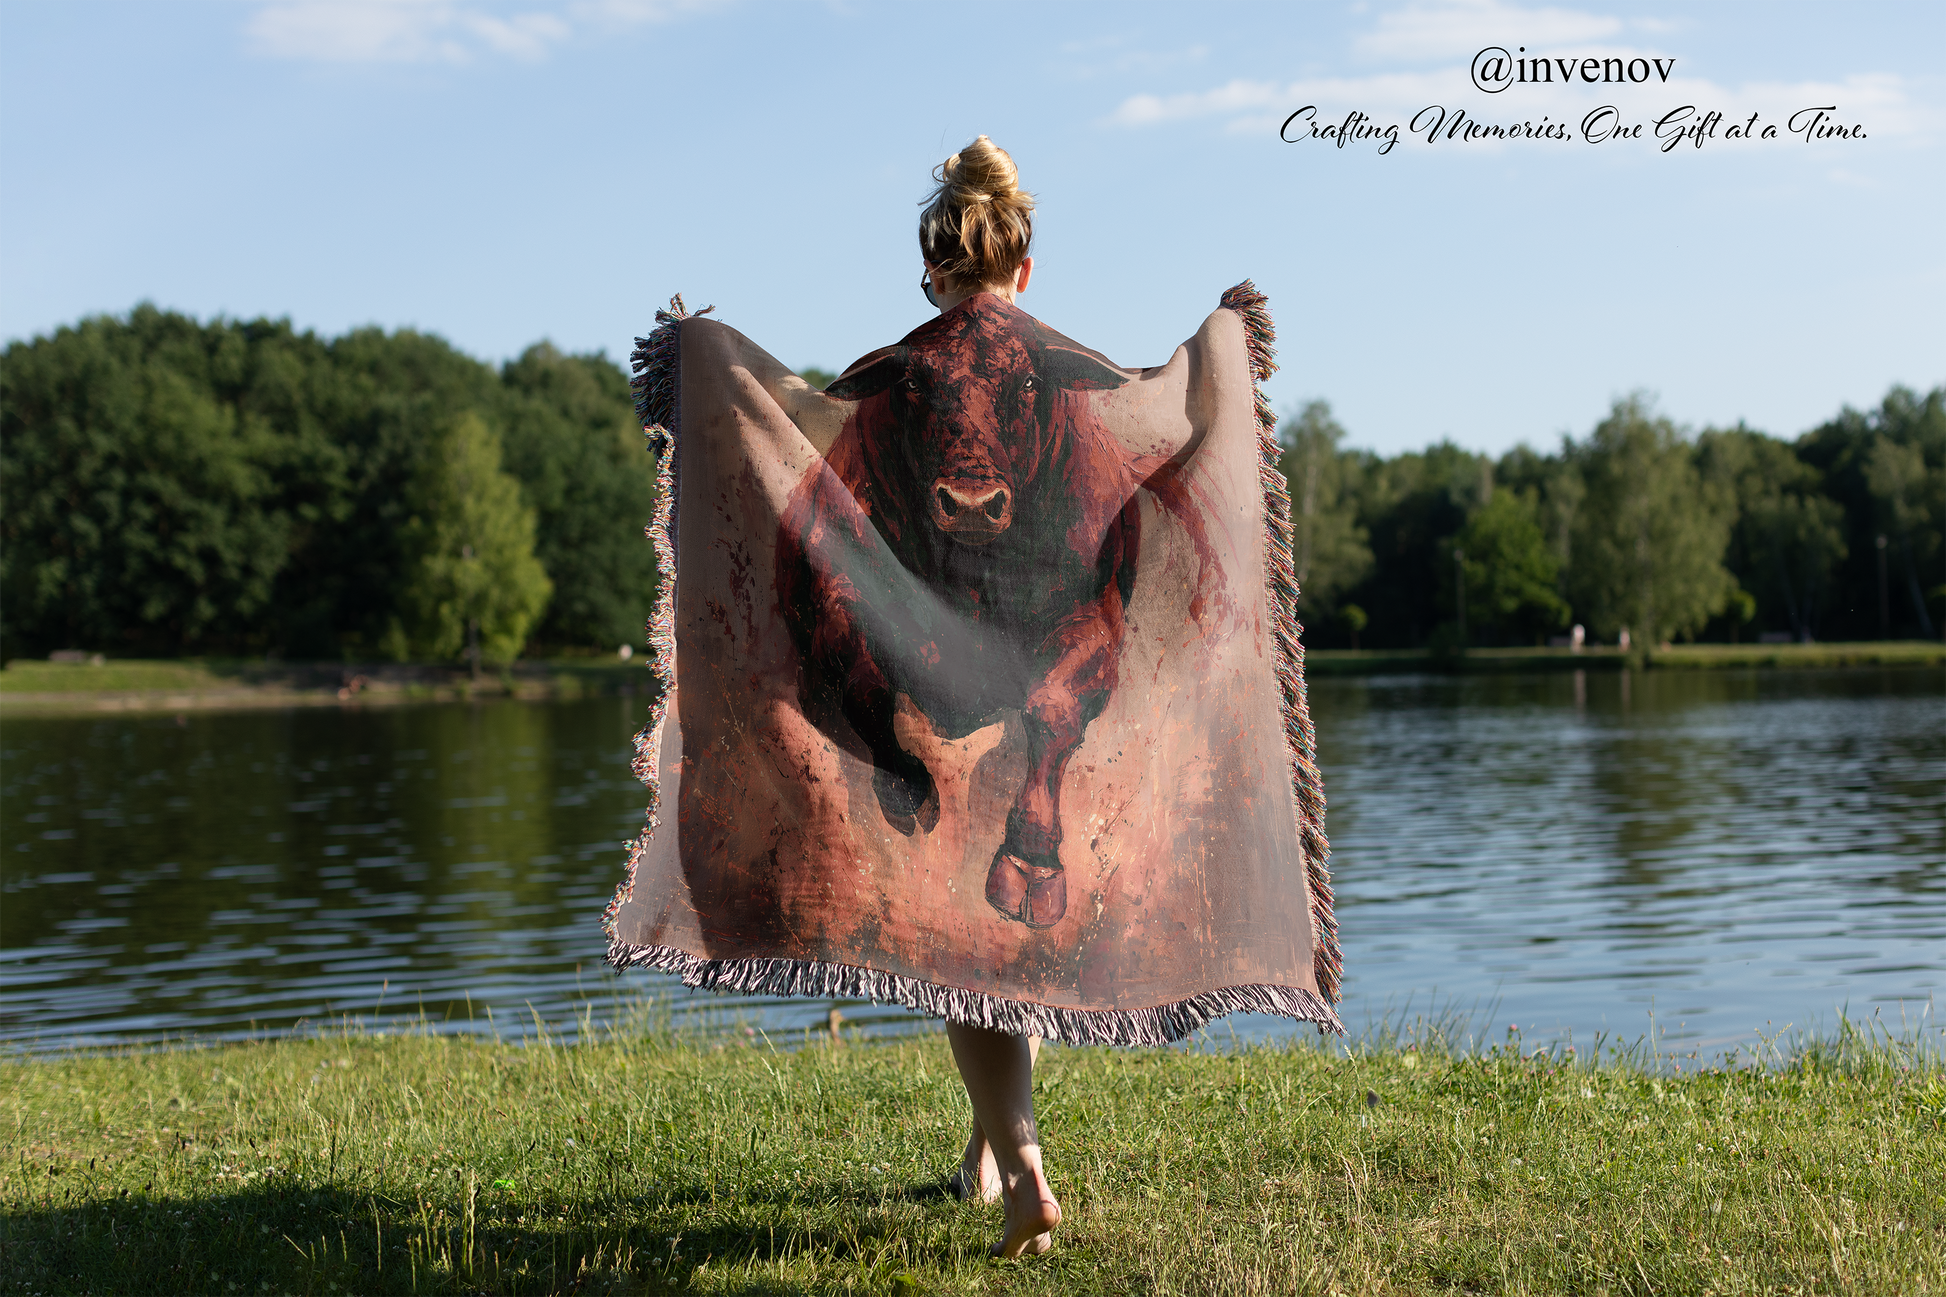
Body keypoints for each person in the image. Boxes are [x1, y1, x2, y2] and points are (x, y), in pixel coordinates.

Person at [913, 137, 1060, 1259]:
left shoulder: (906, 368)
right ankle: (978, 1154)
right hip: (1056, 685)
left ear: (933, 271)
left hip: (947, 681)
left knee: (963, 949)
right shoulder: (1061, 367)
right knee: (1010, 925)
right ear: (1024, 263)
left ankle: (1024, 1172)